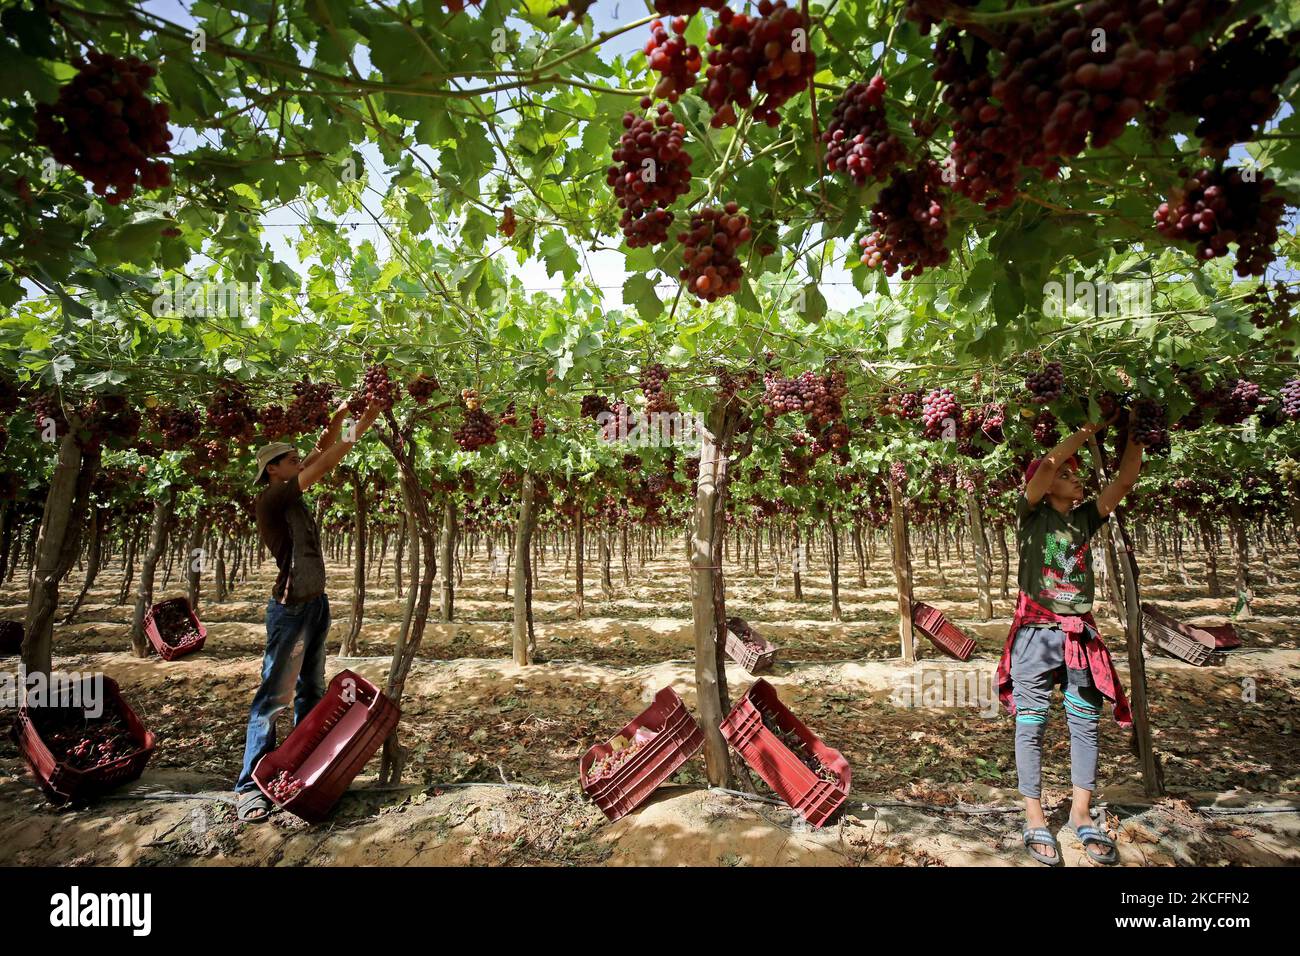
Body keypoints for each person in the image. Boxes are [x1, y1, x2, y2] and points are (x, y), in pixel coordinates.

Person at [994, 412, 1145, 865]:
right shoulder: (1030, 515)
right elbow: (1043, 468)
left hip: (1079, 636)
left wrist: (1136, 427)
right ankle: (1035, 816)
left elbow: (1125, 480)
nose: (1072, 476)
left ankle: (1081, 812)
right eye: (1066, 473)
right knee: (1031, 726)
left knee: (1084, 722)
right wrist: (1088, 430)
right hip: (1036, 636)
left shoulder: (1085, 518)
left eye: (1075, 472)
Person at [235, 399, 381, 822]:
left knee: (311, 692)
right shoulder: (271, 500)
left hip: (314, 605)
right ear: (274, 470)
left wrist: (339, 418)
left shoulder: (288, 489)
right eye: (292, 461)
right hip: (290, 609)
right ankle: (249, 786)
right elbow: (328, 461)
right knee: (273, 698)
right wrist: (362, 425)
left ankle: (299, 769)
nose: (300, 464)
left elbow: (319, 451)